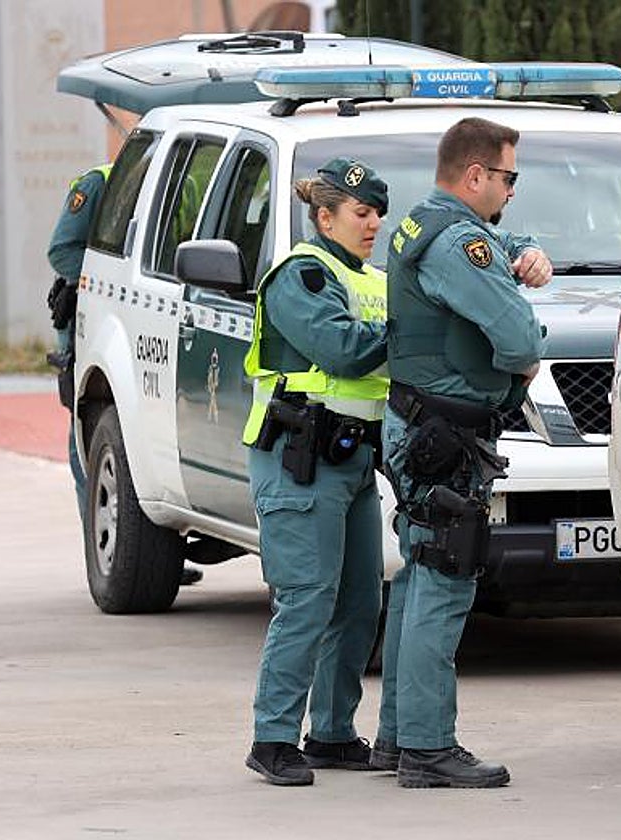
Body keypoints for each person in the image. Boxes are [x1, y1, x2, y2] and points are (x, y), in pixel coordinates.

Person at [373, 117, 552, 789]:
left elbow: (501, 244)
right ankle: (427, 748)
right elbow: (520, 338)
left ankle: (397, 738)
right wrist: (518, 373)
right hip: (444, 435)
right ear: (475, 175)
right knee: (445, 582)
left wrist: (529, 251)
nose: (511, 190)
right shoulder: (459, 243)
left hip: (422, 426)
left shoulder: (429, 223)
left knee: (420, 574)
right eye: (508, 178)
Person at [241, 158, 391, 786]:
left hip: (351, 459)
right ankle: (272, 738)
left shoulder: (374, 280)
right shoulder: (301, 275)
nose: (373, 224)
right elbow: (344, 350)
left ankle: (330, 732)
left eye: (378, 213)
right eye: (361, 213)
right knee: (306, 599)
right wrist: (415, 329)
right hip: (298, 458)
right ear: (324, 216)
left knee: (359, 600)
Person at [46, 165, 205, 586]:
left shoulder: (185, 182)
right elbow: (62, 251)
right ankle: (109, 558)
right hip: (95, 319)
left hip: (151, 315)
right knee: (96, 436)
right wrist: (113, 278)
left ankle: (148, 550)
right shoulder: (98, 182)